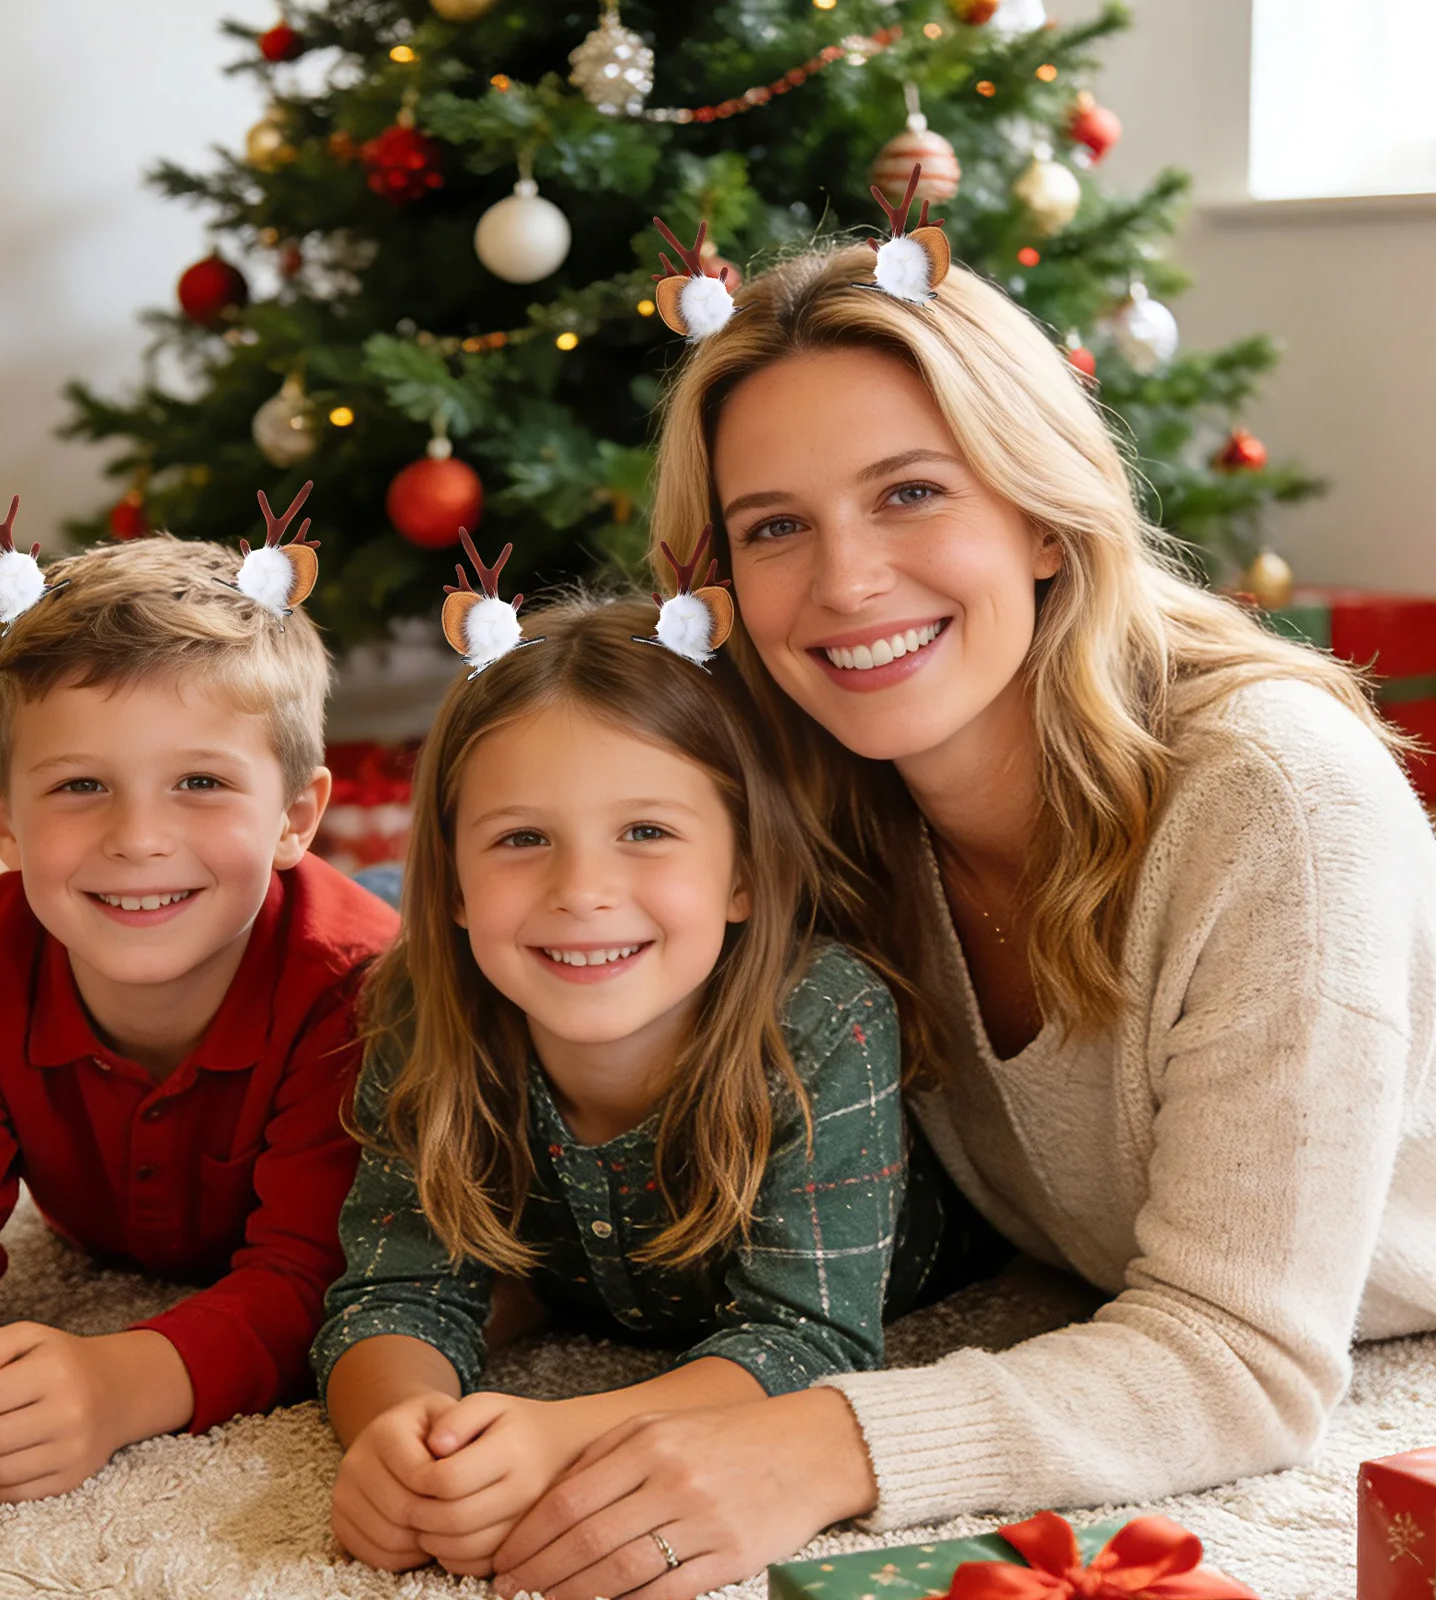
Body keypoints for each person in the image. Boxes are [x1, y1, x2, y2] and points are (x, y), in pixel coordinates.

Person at [488, 239, 1436, 1600]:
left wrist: (806, 1453)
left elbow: (1242, 1359)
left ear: (1044, 516)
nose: (848, 582)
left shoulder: (1275, 799)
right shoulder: (805, 786)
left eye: (911, 494)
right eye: (774, 527)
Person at [314, 581, 971, 1577]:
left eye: (647, 832)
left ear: (743, 871)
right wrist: (405, 1436)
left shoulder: (823, 1018)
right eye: (522, 837)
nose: (582, 891)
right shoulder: (417, 1008)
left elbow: (805, 1339)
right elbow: (395, 1289)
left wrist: (560, 1436)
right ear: (448, 881)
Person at [0, 504, 399, 1504]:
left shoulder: (356, 988)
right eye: (82, 786)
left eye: (199, 780)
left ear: (297, 816)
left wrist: (115, 1384)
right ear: (2, 820)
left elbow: (324, 1278)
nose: (139, 837)